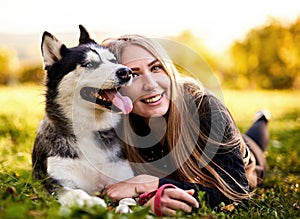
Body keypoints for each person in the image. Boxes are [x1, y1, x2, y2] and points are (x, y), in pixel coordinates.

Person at [100, 35, 270, 216]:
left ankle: (262, 119)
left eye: (156, 67)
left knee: (255, 140)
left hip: (246, 157)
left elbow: (238, 193)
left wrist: (154, 184)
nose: (151, 84)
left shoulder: (206, 108)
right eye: (133, 75)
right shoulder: (112, 124)